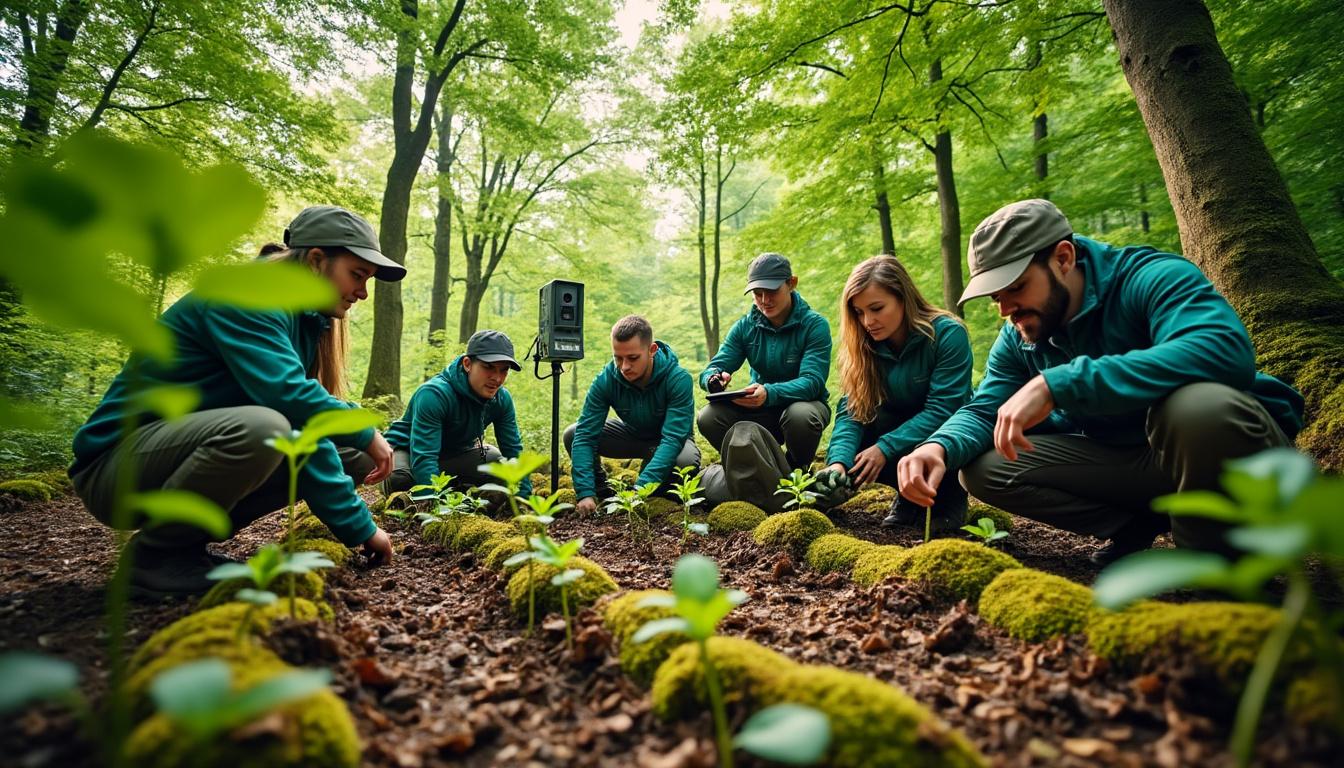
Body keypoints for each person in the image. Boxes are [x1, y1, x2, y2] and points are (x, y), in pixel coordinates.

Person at [897, 199, 1304, 564]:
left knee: (1196, 408)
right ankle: (1134, 527)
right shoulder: (1022, 333)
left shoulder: (1152, 277)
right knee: (985, 467)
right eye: (995, 297)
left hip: (1237, 456)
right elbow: (987, 408)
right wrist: (937, 446)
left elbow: (1223, 350)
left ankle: (1224, 558)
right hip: (1134, 461)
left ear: (1063, 258)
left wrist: (1061, 384)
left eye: (1016, 288)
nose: (1006, 309)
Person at [69, 205, 405, 596]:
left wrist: (358, 528)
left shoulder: (298, 318)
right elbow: (288, 397)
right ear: (316, 261)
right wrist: (361, 433)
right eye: (357, 275)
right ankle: (156, 556)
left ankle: (184, 546)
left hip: (171, 457)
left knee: (355, 458)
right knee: (265, 430)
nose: (363, 292)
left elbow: (306, 432)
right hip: (117, 467)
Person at [817, 255, 973, 530]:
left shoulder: (948, 334)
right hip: (896, 436)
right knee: (863, 433)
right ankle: (908, 495)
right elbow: (852, 411)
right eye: (859, 312)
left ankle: (950, 496)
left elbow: (945, 408)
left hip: (945, 440)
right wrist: (838, 463)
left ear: (903, 298)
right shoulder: (864, 347)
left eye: (877, 308)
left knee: (946, 427)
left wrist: (885, 448)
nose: (867, 321)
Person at [696, 252, 832, 472]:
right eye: (757, 293)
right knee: (709, 417)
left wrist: (769, 393)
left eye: (772, 292)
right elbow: (713, 367)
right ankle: (753, 469)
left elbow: (812, 382)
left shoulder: (814, 325)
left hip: (804, 406)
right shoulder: (745, 327)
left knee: (800, 415)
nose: (764, 300)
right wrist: (714, 379)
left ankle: (797, 470)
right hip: (760, 410)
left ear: (791, 284)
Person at [564, 315, 699, 515]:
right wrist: (585, 492)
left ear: (651, 350)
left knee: (686, 459)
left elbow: (672, 439)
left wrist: (640, 489)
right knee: (573, 434)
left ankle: (660, 494)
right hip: (631, 436)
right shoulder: (606, 379)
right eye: (618, 358)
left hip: (670, 442)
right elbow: (585, 435)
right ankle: (601, 493)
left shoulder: (678, 379)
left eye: (633, 358)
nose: (624, 366)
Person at [382, 329, 530, 500]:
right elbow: (425, 455)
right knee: (401, 479)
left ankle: (457, 492)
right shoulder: (434, 394)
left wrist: (525, 501)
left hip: (454, 454)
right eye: (488, 367)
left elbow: (513, 450)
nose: (497, 378)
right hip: (407, 450)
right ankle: (416, 493)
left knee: (497, 464)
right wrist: (431, 509)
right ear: (467, 364)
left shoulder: (502, 399)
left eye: (504, 370)